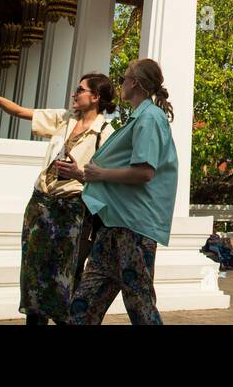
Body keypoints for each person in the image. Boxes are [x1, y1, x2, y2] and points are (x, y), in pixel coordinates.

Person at [0, 72, 116, 325]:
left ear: (95, 97)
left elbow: (110, 179)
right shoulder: (64, 119)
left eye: (80, 90)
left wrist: (79, 174)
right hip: (40, 204)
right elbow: (22, 112)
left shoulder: (106, 134)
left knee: (65, 278)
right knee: (34, 276)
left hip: (73, 210)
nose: (74, 94)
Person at [61, 58, 177, 326]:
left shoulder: (149, 118)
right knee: (82, 307)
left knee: (141, 308)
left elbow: (144, 172)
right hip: (114, 226)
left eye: (125, 78)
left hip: (134, 228)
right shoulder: (137, 118)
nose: (121, 83)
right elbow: (119, 172)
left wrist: (99, 174)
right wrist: (84, 175)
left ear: (135, 83)